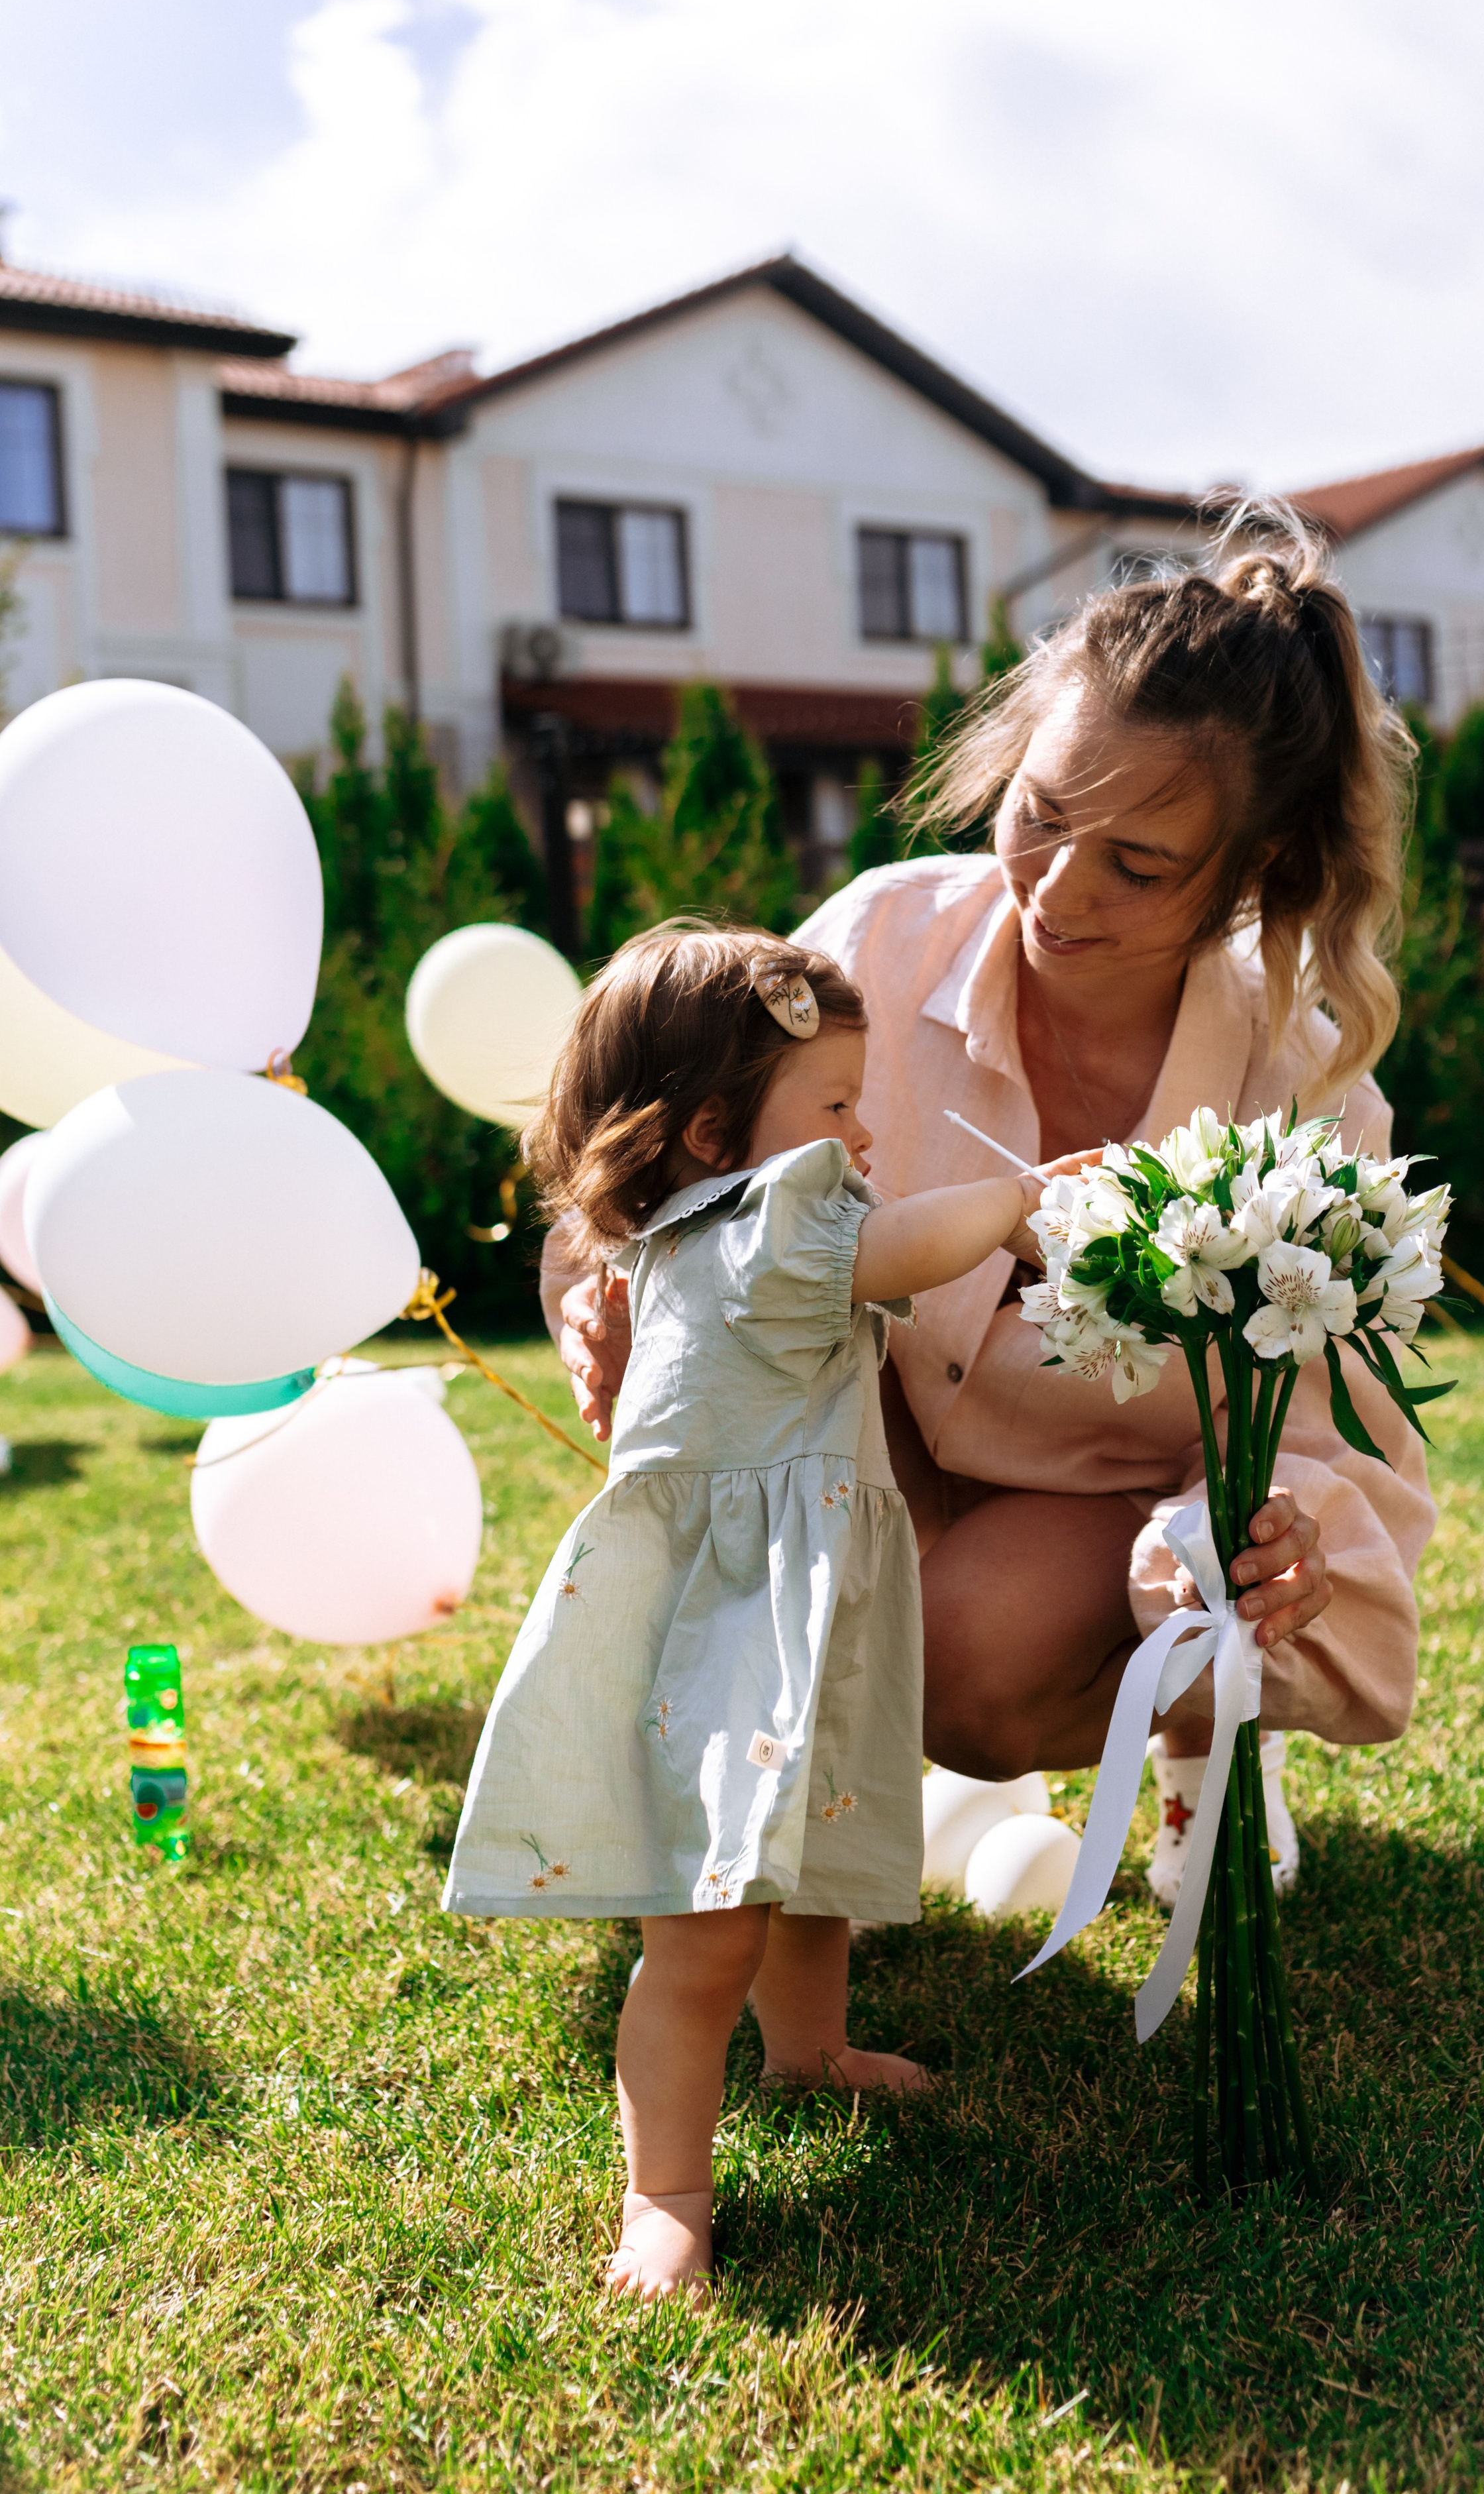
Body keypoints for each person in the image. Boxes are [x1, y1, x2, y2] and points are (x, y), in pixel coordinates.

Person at [548, 506, 1438, 1906]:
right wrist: (618, 1311)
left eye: (1136, 866)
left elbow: (1326, 1426)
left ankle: (1205, 1721)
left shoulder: (1299, 1074)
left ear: (1256, 875)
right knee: (819, 1618)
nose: (1055, 891)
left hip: (1124, 1491)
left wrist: (1252, 1549)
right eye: (1039, 814)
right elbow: (673, 1179)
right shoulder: (878, 941)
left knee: (960, 1670)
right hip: (877, 1423)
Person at [445, 922, 1085, 2304]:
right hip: (730, 1630)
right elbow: (904, 1247)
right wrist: (1016, 1202)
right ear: (712, 1133)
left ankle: (808, 2052)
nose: (863, 1133)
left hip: (785, 1610)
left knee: (809, 1865)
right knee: (705, 1927)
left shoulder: (717, 1229)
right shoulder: (766, 1219)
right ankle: (663, 2196)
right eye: (838, 1105)